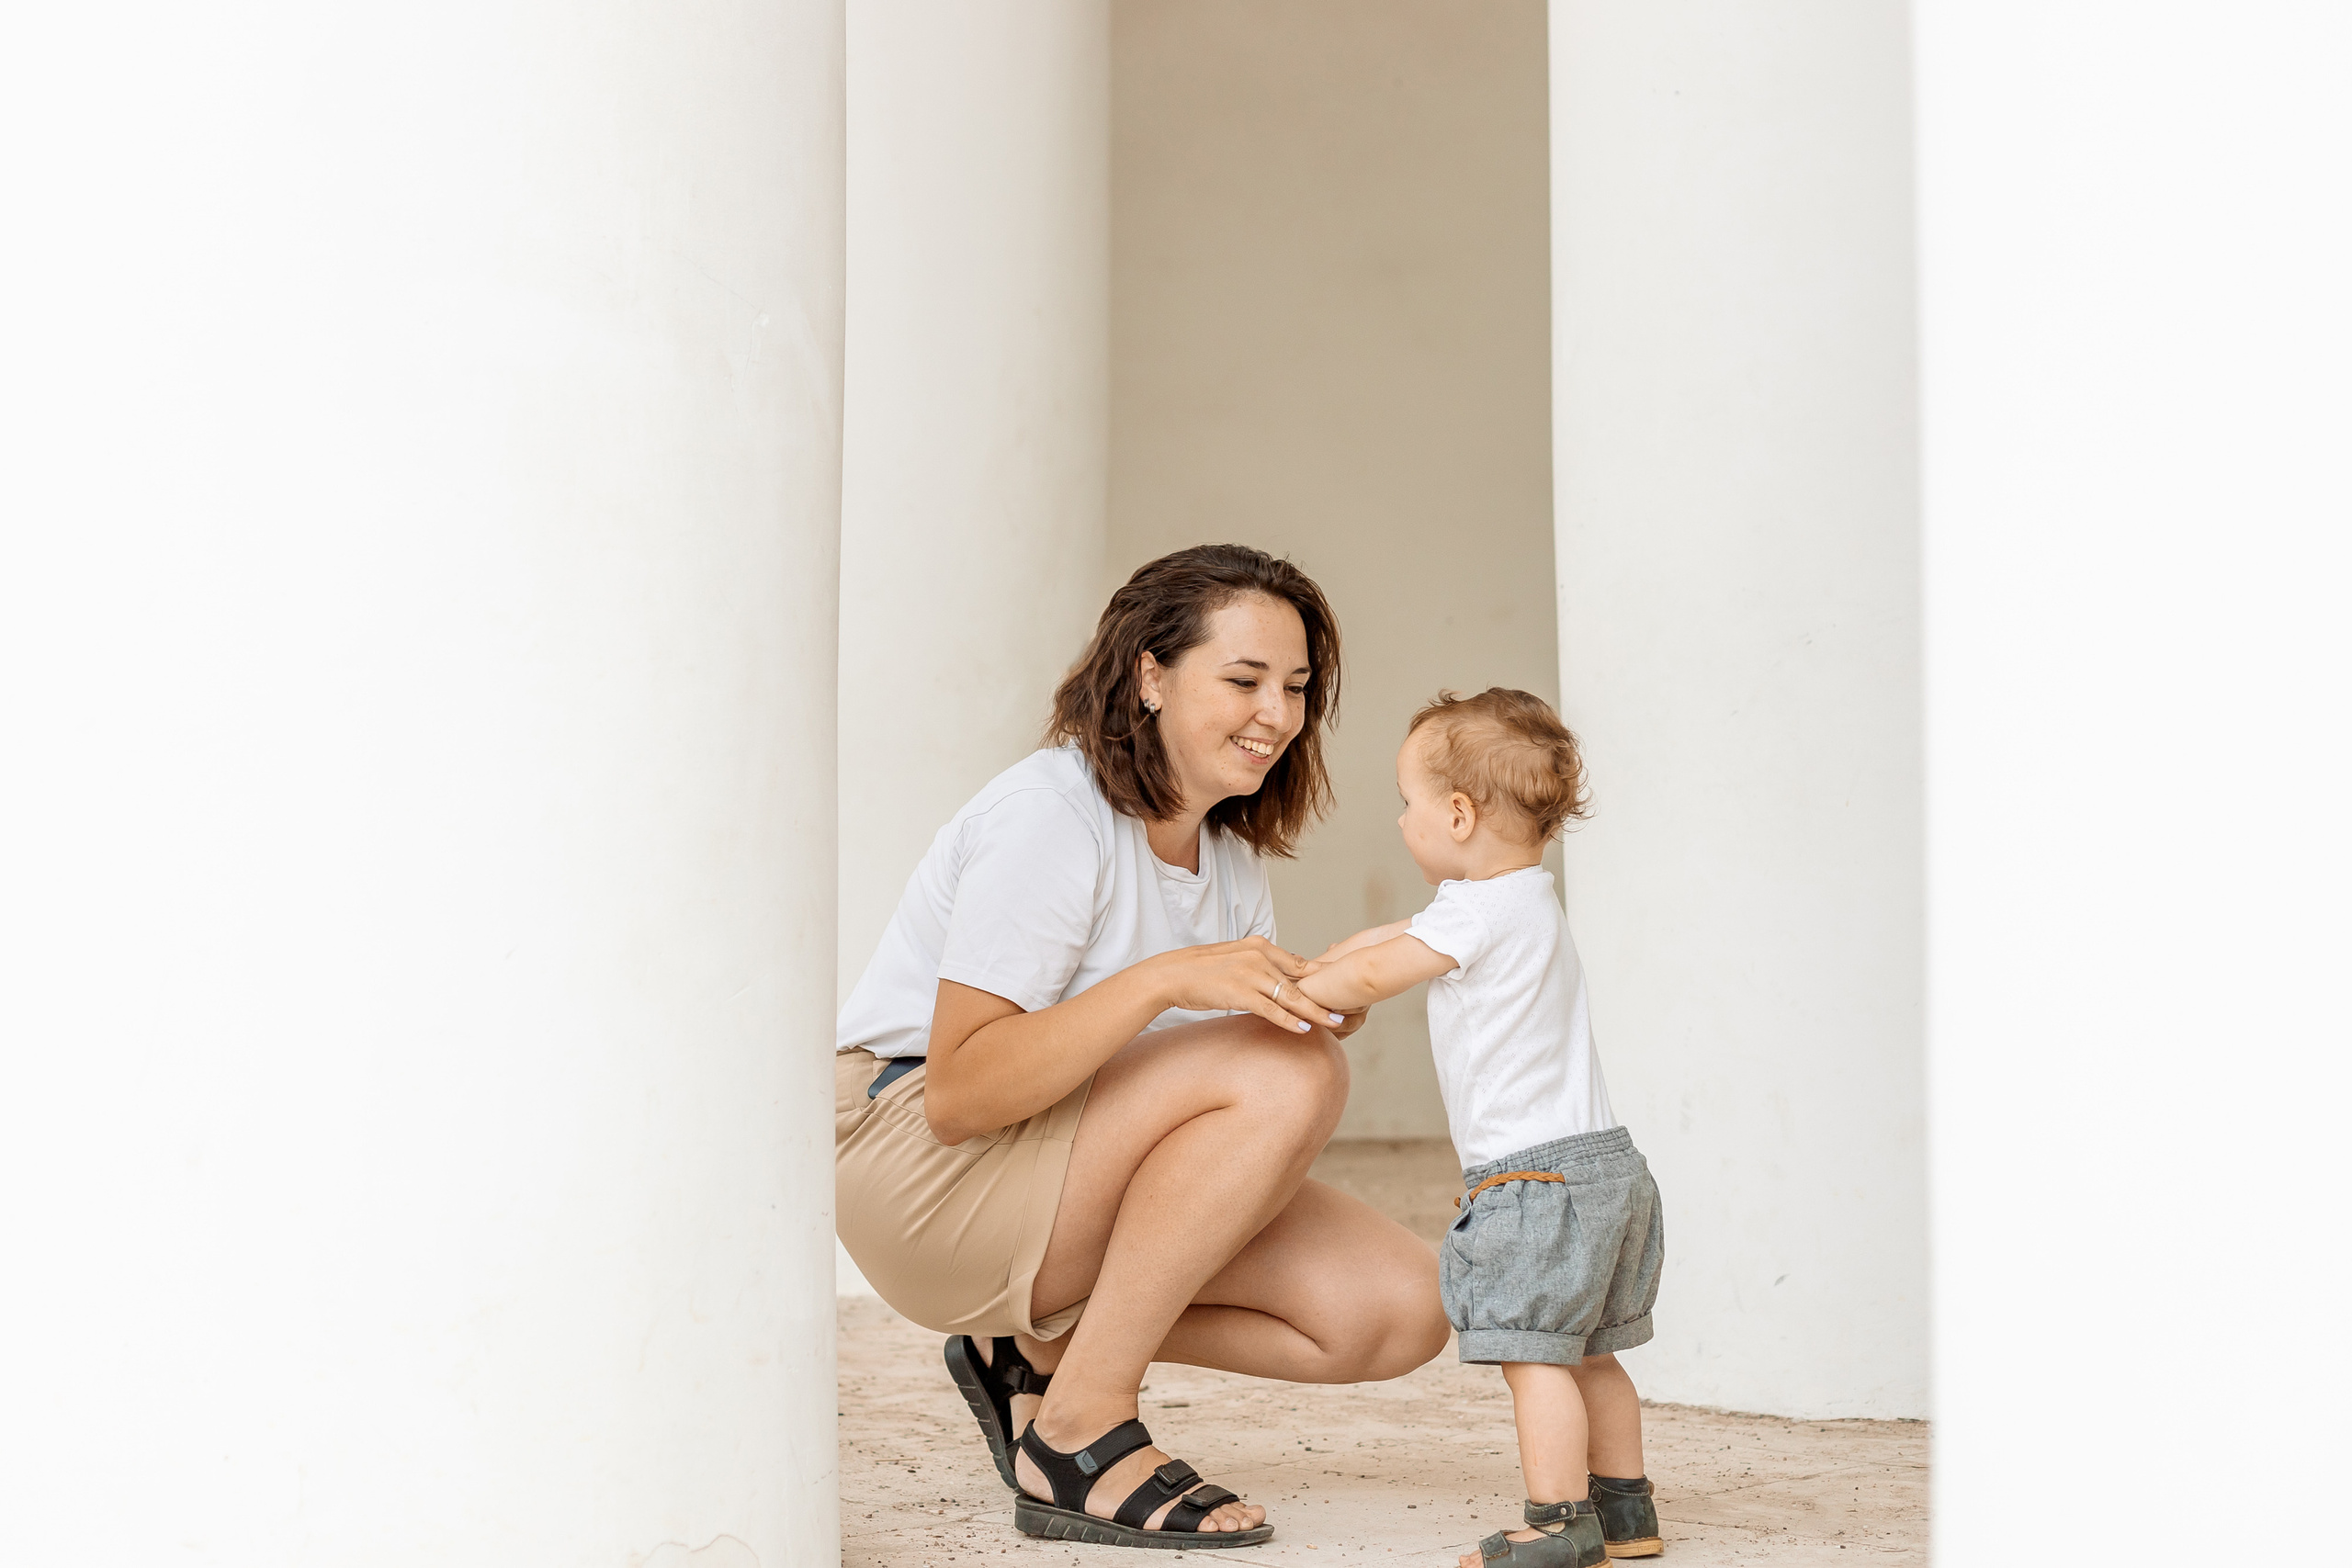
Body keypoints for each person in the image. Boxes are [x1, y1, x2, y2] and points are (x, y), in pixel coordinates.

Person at [834, 545, 1449, 1551]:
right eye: (1243, 680)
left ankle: (1037, 1354)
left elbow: (1192, 1105)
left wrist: (1306, 1002)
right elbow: (959, 1094)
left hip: (1046, 1172)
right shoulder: (1050, 817)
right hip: (913, 1165)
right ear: (1149, 676)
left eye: (1295, 688)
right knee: (1283, 1071)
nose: (1276, 715)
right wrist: (1167, 981)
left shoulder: (1229, 855)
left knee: (1397, 1310)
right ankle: (1079, 1428)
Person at [1295, 689, 1667, 1567]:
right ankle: (1626, 1509)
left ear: (1458, 815)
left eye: (1407, 800)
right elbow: (1394, 936)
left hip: (1529, 1183)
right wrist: (1325, 962)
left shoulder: (1473, 906)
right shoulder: (1526, 901)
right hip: (1609, 1171)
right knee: (1593, 1356)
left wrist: (1303, 995)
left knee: (1535, 1360)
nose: (1401, 819)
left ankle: (1556, 1521)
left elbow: (1382, 966)